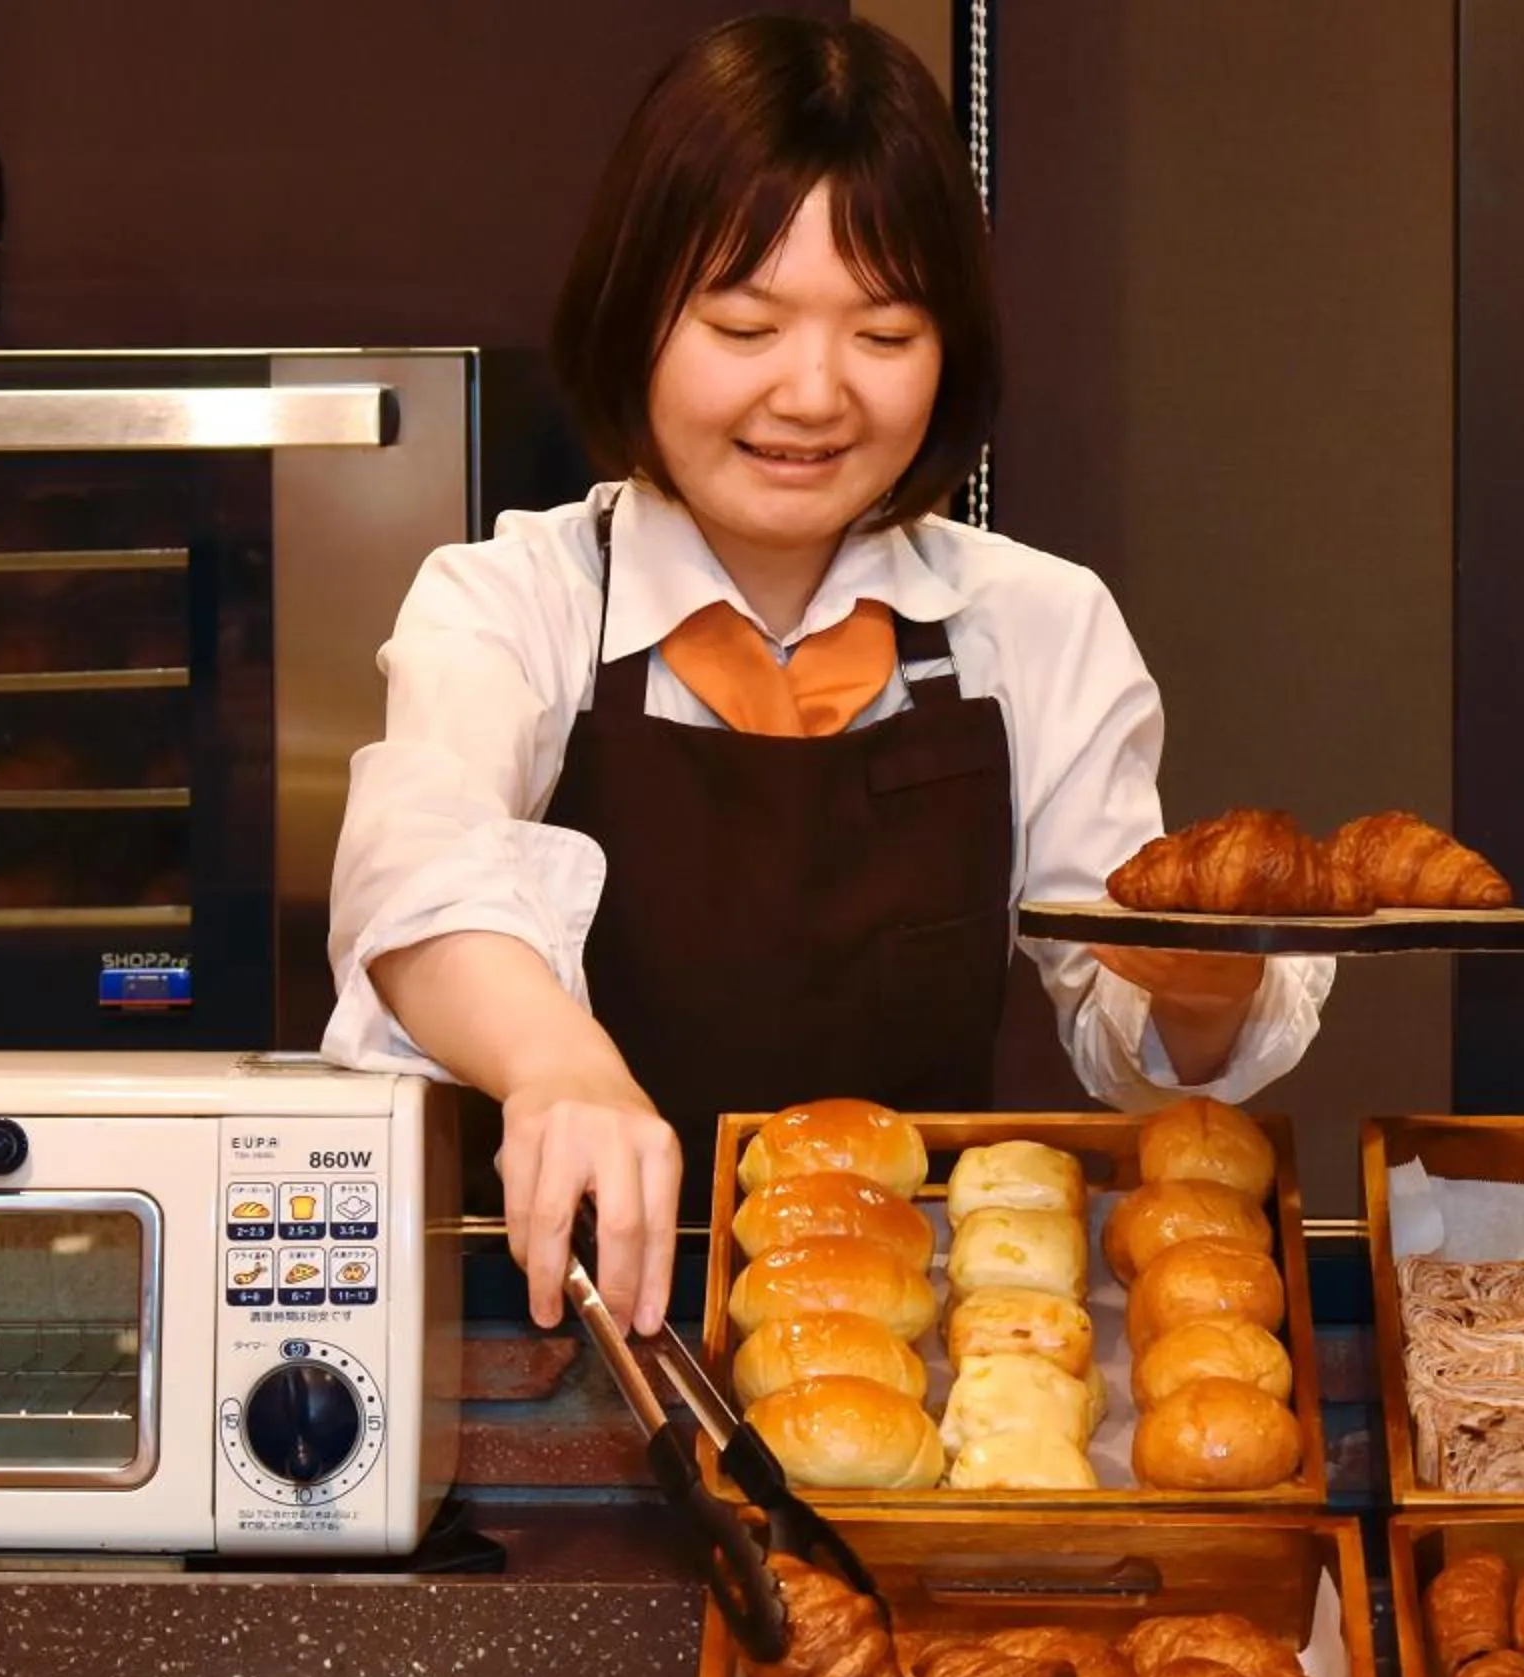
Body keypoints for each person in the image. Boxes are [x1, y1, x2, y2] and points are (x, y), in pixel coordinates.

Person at [322, 17, 1331, 1335]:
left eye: (884, 332)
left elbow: (1136, 1043)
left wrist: (1202, 983)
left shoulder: (1035, 622)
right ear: (636, 320)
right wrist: (558, 1064)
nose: (813, 393)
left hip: (898, 1344)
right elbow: (416, 864)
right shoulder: (514, 600)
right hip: (563, 1336)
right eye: (744, 323)